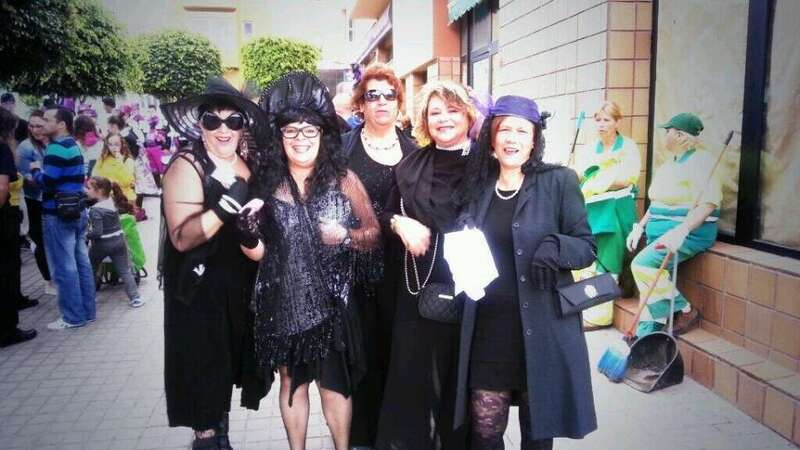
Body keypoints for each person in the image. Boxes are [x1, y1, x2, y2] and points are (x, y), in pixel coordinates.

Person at [240, 71, 380, 450]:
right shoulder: (266, 186)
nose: (300, 139)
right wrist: (247, 234)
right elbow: (259, 254)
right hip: (285, 302)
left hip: (333, 302)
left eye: (309, 131)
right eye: (291, 131)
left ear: (322, 135)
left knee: (334, 384)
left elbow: (373, 234)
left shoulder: (344, 180)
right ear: (279, 137)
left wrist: (346, 236)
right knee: (292, 383)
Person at [452, 95, 598, 449]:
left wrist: (556, 246)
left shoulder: (559, 181)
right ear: (491, 137)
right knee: (484, 432)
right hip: (489, 328)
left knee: (537, 433)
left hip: (543, 326)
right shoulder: (477, 185)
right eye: (504, 130)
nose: (512, 139)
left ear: (534, 140)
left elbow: (586, 247)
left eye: (522, 131)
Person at [160, 77, 267, 450]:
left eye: (233, 121)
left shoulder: (248, 162)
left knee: (225, 371)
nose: (224, 129)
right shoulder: (187, 165)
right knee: (204, 377)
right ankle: (207, 441)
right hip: (199, 293)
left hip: (238, 286)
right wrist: (225, 207)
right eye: (213, 120)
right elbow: (182, 237)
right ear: (200, 124)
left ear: (242, 126)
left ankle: (221, 438)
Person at [375, 80, 477, 450]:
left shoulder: (488, 164)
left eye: (452, 110)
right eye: (435, 112)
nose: (443, 118)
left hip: (473, 291)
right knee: (414, 380)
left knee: (460, 381)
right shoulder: (410, 165)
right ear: (424, 120)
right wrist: (399, 223)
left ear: (468, 116)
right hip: (418, 288)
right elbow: (383, 211)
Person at [340, 62, 417, 449]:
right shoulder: (343, 149)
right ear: (361, 103)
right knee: (359, 355)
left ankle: (391, 436)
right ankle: (361, 438)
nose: (382, 101)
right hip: (353, 269)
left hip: (402, 269)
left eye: (389, 94)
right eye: (373, 95)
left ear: (399, 102)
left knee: (396, 353)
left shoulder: (415, 151)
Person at [626, 113, 719, 337]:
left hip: (688, 233)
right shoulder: (669, 164)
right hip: (659, 232)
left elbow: (709, 203)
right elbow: (657, 202)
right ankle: (646, 337)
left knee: (643, 266)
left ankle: (685, 309)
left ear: (680, 136)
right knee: (650, 284)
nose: (664, 135)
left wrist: (683, 230)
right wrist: (640, 226)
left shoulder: (702, 162)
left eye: (667, 131)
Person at [571, 100, 641, 329]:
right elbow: (580, 175)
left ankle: (600, 316)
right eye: (598, 120)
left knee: (609, 257)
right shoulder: (590, 148)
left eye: (607, 120)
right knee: (590, 258)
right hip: (593, 209)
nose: (601, 124)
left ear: (617, 122)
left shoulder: (628, 147)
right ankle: (586, 307)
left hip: (618, 208)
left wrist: (599, 181)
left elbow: (628, 177)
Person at [31, 107, 96, 330]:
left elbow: (48, 181)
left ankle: (72, 317)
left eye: (48, 120)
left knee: (64, 267)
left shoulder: (56, 148)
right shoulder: (73, 146)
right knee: (81, 263)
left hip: (57, 214)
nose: (43, 124)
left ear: (61, 124)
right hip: (76, 210)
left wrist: (35, 171)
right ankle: (87, 312)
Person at [0, 107, 37, 347]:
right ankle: (6, 330)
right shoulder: (2, 149)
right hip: (4, 219)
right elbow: (2, 186)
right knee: (6, 273)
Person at [85, 176, 144, 308]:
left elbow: (97, 232)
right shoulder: (112, 202)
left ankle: (90, 298)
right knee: (125, 271)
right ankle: (135, 298)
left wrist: (86, 235)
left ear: (99, 191)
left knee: (91, 269)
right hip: (119, 241)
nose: (86, 190)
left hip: (102, 244)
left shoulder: (95, 210)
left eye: (89, 188)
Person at [17, 109, 54, 295]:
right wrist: (41, 176)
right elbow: (26, 178)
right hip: (33, 200)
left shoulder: (51, 144)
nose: (35, 130)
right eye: (31, 126)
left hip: (50, 198)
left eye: (39, 126)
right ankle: (49, 281)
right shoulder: (25, 148)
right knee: (41, 240)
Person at [93, 133, 137, 203]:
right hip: (105, 198)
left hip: (125, 199)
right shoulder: (103, 158)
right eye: (110, 144)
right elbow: (95, 176)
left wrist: (120, 162)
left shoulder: (128, 160)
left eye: (116, 144)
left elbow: (126, 182)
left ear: (122, 144)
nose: (113, 147)